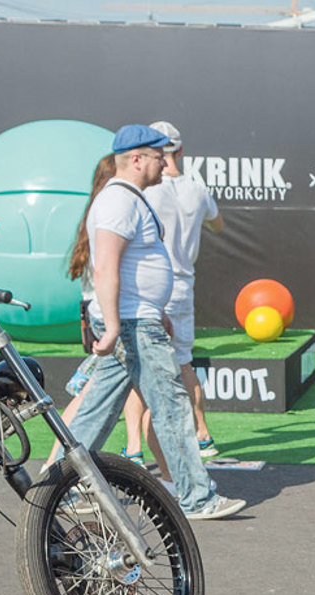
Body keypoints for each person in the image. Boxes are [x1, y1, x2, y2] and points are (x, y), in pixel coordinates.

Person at [67, 124, 245, 520]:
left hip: (138, 320)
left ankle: (58, 490)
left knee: (96, 411)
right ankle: (197, 497)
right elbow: (106, 269)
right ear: (136, 160)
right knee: (171, 406)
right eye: (157, 156)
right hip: (132, 325)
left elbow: (129, 268)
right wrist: (114, 326)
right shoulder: (119, 202)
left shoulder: (129, 198)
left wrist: (155, 309)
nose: (165, 164)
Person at [121, 121, 226, 465]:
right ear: (179, 151)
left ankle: (134, 448)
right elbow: (218, 224)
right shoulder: (197, 190)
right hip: (182, 286)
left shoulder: (145, 191)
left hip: (150, 289)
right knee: (183, 364)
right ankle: (203, 435)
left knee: (139, 367)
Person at [44, 153, 118, 469]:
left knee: (94, 396)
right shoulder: (108, 215)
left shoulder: (95, 212)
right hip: (104, 315)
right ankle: (56, 466)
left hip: (96, 314)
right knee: (88, 398)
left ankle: (55, 465)